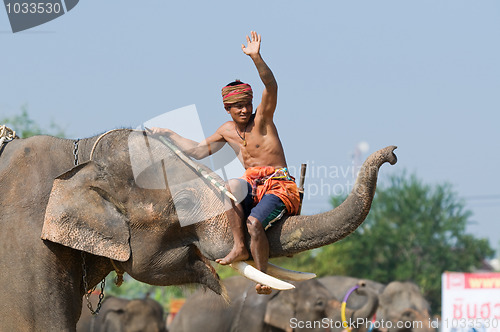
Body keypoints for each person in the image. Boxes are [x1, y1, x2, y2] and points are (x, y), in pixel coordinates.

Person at [150, 31, 300, 294]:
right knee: (226, 185)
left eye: (247, 104)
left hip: (278, 187)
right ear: (227, 109)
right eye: (237, 106)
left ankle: (262, 278)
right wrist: (169, 135)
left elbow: (272, 87)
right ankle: (239, 246)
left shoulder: (262, 120)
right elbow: (197, 151)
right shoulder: (227, 130)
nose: (244, 110)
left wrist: (256, 58)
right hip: (252, 186)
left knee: (254, 223)